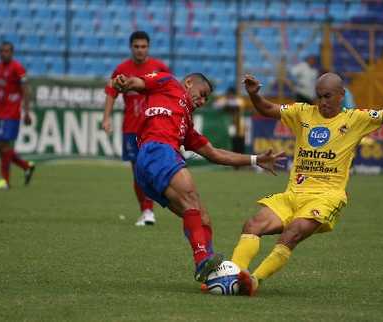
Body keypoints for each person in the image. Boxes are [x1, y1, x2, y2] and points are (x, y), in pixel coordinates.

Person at [232, 73, 383, 296]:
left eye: (327, 96)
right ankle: (232, 277)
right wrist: (254, 95)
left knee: (292, 233)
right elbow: (268, 109)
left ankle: (253, 280)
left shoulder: (356, 119)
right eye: (318, 97)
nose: (322, 102)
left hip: (326, 196)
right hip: (293, 194)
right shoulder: (303, 113)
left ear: (341, 95)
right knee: (253, 225)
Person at [111, 71, 285, 283]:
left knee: (202, 217)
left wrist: (255, 160)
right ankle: (203, 260)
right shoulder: (168, 83)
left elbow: (215, 153)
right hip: (157, 150)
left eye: (206, 99)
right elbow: (137, 82)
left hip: (148, 167)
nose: (202, 101)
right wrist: (124, 82)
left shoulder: (187, 126)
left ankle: (211, 274)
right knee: (191, 198)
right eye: (202, 94)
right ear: (189, 83)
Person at [102, 31, 171, 226]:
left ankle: (151, 209)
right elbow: (111, 92)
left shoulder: (159, 68)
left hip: (154, 127)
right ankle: (146, 210)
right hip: (131, 128)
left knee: (153, 169)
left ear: (148, 47)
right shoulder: (122, 69)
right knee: (138, 171)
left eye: (143, 46)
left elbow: (172, 90)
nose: (140, 50)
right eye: (136, 46)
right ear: (131, 47)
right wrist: (106, 118)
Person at [0, 41, 35, 189]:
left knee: (4, 145)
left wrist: (27, 112)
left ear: (12, 53)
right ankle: (26, 166)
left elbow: (26, 90)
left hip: (11, 113)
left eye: (7, 51)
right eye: (2, 51)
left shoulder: (17, 68)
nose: (4, 54)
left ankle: (5, 181)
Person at [213, 87, 246, 154]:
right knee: (230, 142)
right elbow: (215, 105)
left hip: (239, 126)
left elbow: (237, 104)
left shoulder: (239, 100)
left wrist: (226, 104)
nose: (230, 96)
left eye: (232, 94)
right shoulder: (225, 99)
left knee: (239, 144)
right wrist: (225, 103)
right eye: (229, 94)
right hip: (227, 125)